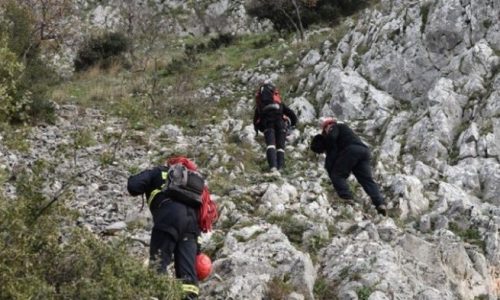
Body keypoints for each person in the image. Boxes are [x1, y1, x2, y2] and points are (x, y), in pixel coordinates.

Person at [127, 156, 217, 300]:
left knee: (158, 266)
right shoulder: (192, 186)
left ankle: (157, 294)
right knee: (189, 281)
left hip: (169, 217)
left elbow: (133, 186)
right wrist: (196, 250)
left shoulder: (158, 171)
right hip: (192, 225)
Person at [310, 117, 387, 216]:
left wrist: (329, 167)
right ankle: (380, 203)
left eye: (325, 129)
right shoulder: (345, 133)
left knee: (336, 175)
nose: (325, 132)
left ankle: (346, 198)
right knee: (367, 180)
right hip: (364, 152)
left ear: (328, 126)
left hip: (352, 150)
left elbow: (332, 140)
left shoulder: (335, 127)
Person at [253, 80, 298, 172]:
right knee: (280, 147)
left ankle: (273, 167)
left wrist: (257, 130)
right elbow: (291, 114)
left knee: (271, 145)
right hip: (280, 123)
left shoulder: (260, 105)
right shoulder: (279, 103)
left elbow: (255, 119)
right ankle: (280, 168)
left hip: (268, 124)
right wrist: (293, 124)